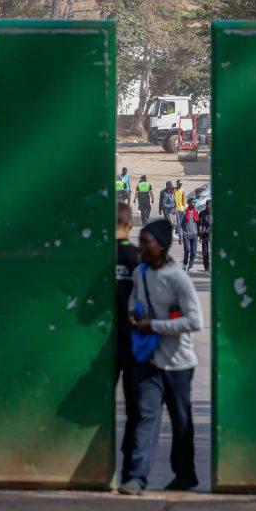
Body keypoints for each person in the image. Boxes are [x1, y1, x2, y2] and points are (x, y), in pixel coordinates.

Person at [119, 219, 202, 496]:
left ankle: (185, 474)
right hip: (149, 361)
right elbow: (135, 300)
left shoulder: (179, 279)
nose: (141, 247)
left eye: (146, 242)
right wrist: (134, 314)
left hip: (179, 363)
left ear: (162, 246)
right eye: (140, 241)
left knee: (181, 421)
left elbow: (194, 321)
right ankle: (136, 478)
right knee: (145, 417)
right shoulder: (141, 273)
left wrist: (154, 326)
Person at [116, 202, 139, 483]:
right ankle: (130, 473)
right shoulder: (137, 259)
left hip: (102, 344)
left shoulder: (99, 257)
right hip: (134, 342)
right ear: (131, 224)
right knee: (135, 410)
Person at [181, 198, 200, 272]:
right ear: (188, 203)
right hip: (186, 234)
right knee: (187, 250)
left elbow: (198, 223)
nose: (194, 203)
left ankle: (190, 267)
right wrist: (181, 234)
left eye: (195, 202)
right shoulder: (184, 212)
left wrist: (199, 234)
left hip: (195, 235)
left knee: (194, 252)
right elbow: (180, 224)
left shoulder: (196, 212)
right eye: (192, 202)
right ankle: (185, 264)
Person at [198, 200, 211, 271]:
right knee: (205, 252)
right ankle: (206, 267)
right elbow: (198, 222)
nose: (210, 206)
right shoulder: (202, 213)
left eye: (211, 204)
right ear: (206, 205)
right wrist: (199, 232)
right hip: (205, 235)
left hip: (212, 235)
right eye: (209, 204)